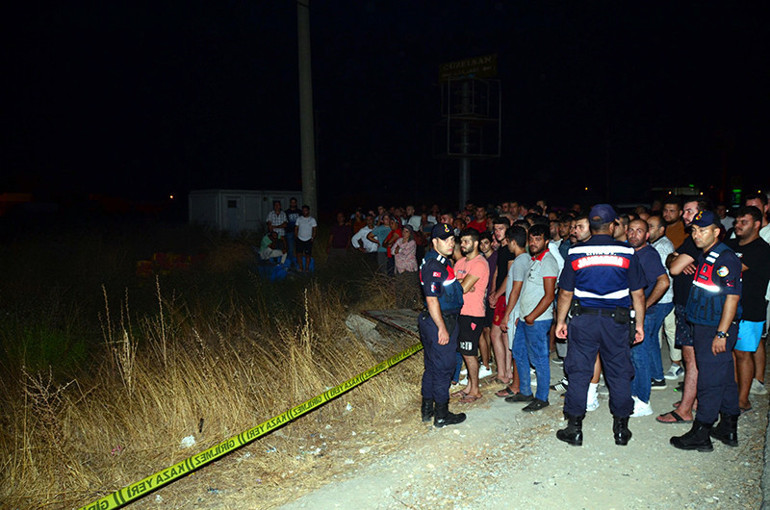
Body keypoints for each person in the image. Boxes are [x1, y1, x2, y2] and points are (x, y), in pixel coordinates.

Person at [555, 204, 646, 447]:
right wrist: (639, 324)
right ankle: (621, 430)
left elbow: (565, 293)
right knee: (618, 372)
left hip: (584, 320)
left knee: (578, 372)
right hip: (616, 320)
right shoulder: (628, 252)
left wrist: (560, 321)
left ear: (591, 226)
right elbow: (638, 293)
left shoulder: (575, 252)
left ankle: (574, 429)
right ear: (613, 224)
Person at [670, 211, 742, 451]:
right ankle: (728, 426)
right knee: (724, 377)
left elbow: (732, 298)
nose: (697, 234)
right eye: (694, 230)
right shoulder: (707, 255)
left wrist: (721, 334)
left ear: (716, 232)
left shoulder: (725, 258)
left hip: (714, 328)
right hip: (705, 324)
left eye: (703, 230)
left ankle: (702, 432)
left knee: (709, 381)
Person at [656, 198, 703, 424]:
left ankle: (685, 409)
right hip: (686, 304)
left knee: (692, 358)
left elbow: (673, 268)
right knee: (692, 357)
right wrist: (676, 257)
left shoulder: (698, 240)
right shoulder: (690, 240)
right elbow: (671, 258)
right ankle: (692, 400)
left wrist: (676, 260)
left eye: (689, 211)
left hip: (694, 306)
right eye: (683, 211)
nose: (685, 215)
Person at [418, 223, 467, 428]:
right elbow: (432, 299)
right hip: (440, 320)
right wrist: (441, 328)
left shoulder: (440, 261)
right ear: (434, 242)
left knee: (432, 367)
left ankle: (427, 410)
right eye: (445, 240)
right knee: (443, 369)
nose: (450, 243)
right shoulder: (434, 266)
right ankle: (441, 415)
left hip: (440, 319)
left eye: (452, 239)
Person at [506, 223, 558, 412]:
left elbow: (549, 295)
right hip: (526, 317)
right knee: (519, 352)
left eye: (538, 239)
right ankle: (525, 391)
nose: (534, 243)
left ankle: (542, 397)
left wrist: (532, 317)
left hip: (538, 319)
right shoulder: (533, 260)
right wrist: (522, 315)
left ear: (546, 241)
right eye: (531, 239)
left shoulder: (548, 261)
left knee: (539, 358)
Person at [725, 206, 770, 411]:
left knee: (744, 354)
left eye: (744, 222)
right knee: (732, 353)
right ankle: (733, 394)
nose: (738, 225)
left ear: (757, 224)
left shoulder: (762, 249)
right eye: (737, 222)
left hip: (750, 309)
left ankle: (743, 399)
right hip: (729, 308)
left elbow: (730, 268)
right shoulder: (730, 243)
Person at [626, 219, 670, 417]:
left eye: (639, 231)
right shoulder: (632, 252)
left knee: (640, 357)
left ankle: (643, 401)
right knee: (633, 356)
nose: (634, 234)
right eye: (631, 230)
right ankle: (634, 395)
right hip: (631, 312)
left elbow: (664, 281)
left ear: (647, 235)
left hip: (644, 314)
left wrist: (646, 304)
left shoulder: (648, 255)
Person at [452, 228, 490, 403]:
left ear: (476, 243)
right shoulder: (459, 263)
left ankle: (475, 390)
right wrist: (463, 283)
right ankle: (469, 386)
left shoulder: (480, 263)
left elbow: (463, 288)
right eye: (462, 241)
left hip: (473, 313)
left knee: (470, 353)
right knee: (465, 351)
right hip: (460, 312)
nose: (463, 244)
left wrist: (463, 285)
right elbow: (452, 286)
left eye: (467, 241)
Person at [646, 214, 677, 387]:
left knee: (650, 337)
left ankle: (657, 376)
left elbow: (662, 279)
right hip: (661, 298)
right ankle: (655, 374)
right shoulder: (656, 245)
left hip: (662, 299)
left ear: (661, 229)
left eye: (651, 226)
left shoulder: (662, 246)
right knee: (651, 337)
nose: (648, 230)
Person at [294, 205, 317, 273]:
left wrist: (313, 237)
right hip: (300, 239)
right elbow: (296, 228)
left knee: (308, 255)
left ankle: (307, 268)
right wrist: (296, 236)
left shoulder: (312, 219)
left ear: (308, 211)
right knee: (298, 254)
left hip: (308, 239)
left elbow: (314, 229)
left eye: (306, 210)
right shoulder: (299, 219)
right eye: (303, 210)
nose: (304, 212)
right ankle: (301, 267)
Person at [285, 197, 302, 262]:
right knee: (291, 248)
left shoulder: (299, 212)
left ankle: (298, 261)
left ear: (296, 203)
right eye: (292, 202)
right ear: (290, 203)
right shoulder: (286, 212)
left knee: (298, 248)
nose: (293, 203)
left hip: (299, 232)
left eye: (294, 202)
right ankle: (290, 262)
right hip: (289, 232)